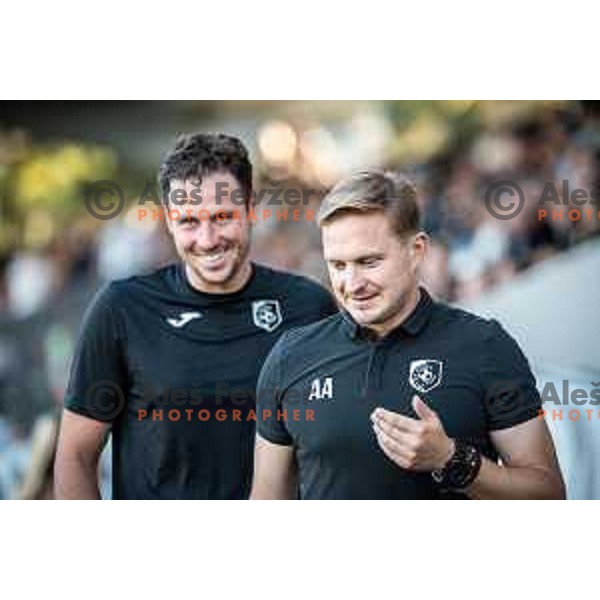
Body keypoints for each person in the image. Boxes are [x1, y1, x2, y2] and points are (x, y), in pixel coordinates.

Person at [251, 170, 565, 500]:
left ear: (416, 250)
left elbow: (550, 496)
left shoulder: (485, 345)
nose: (352, 284)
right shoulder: (290, 356)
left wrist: (452, 459)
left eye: (369, 261)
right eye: (338, 265)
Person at [54, 133, 336, 499]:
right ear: (169, 221)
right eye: (189, 222)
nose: (207, 239)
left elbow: (337, 441)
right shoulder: (122, 309)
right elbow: (75, 454)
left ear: (251, 209)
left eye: (222, 217)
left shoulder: (308, 306)